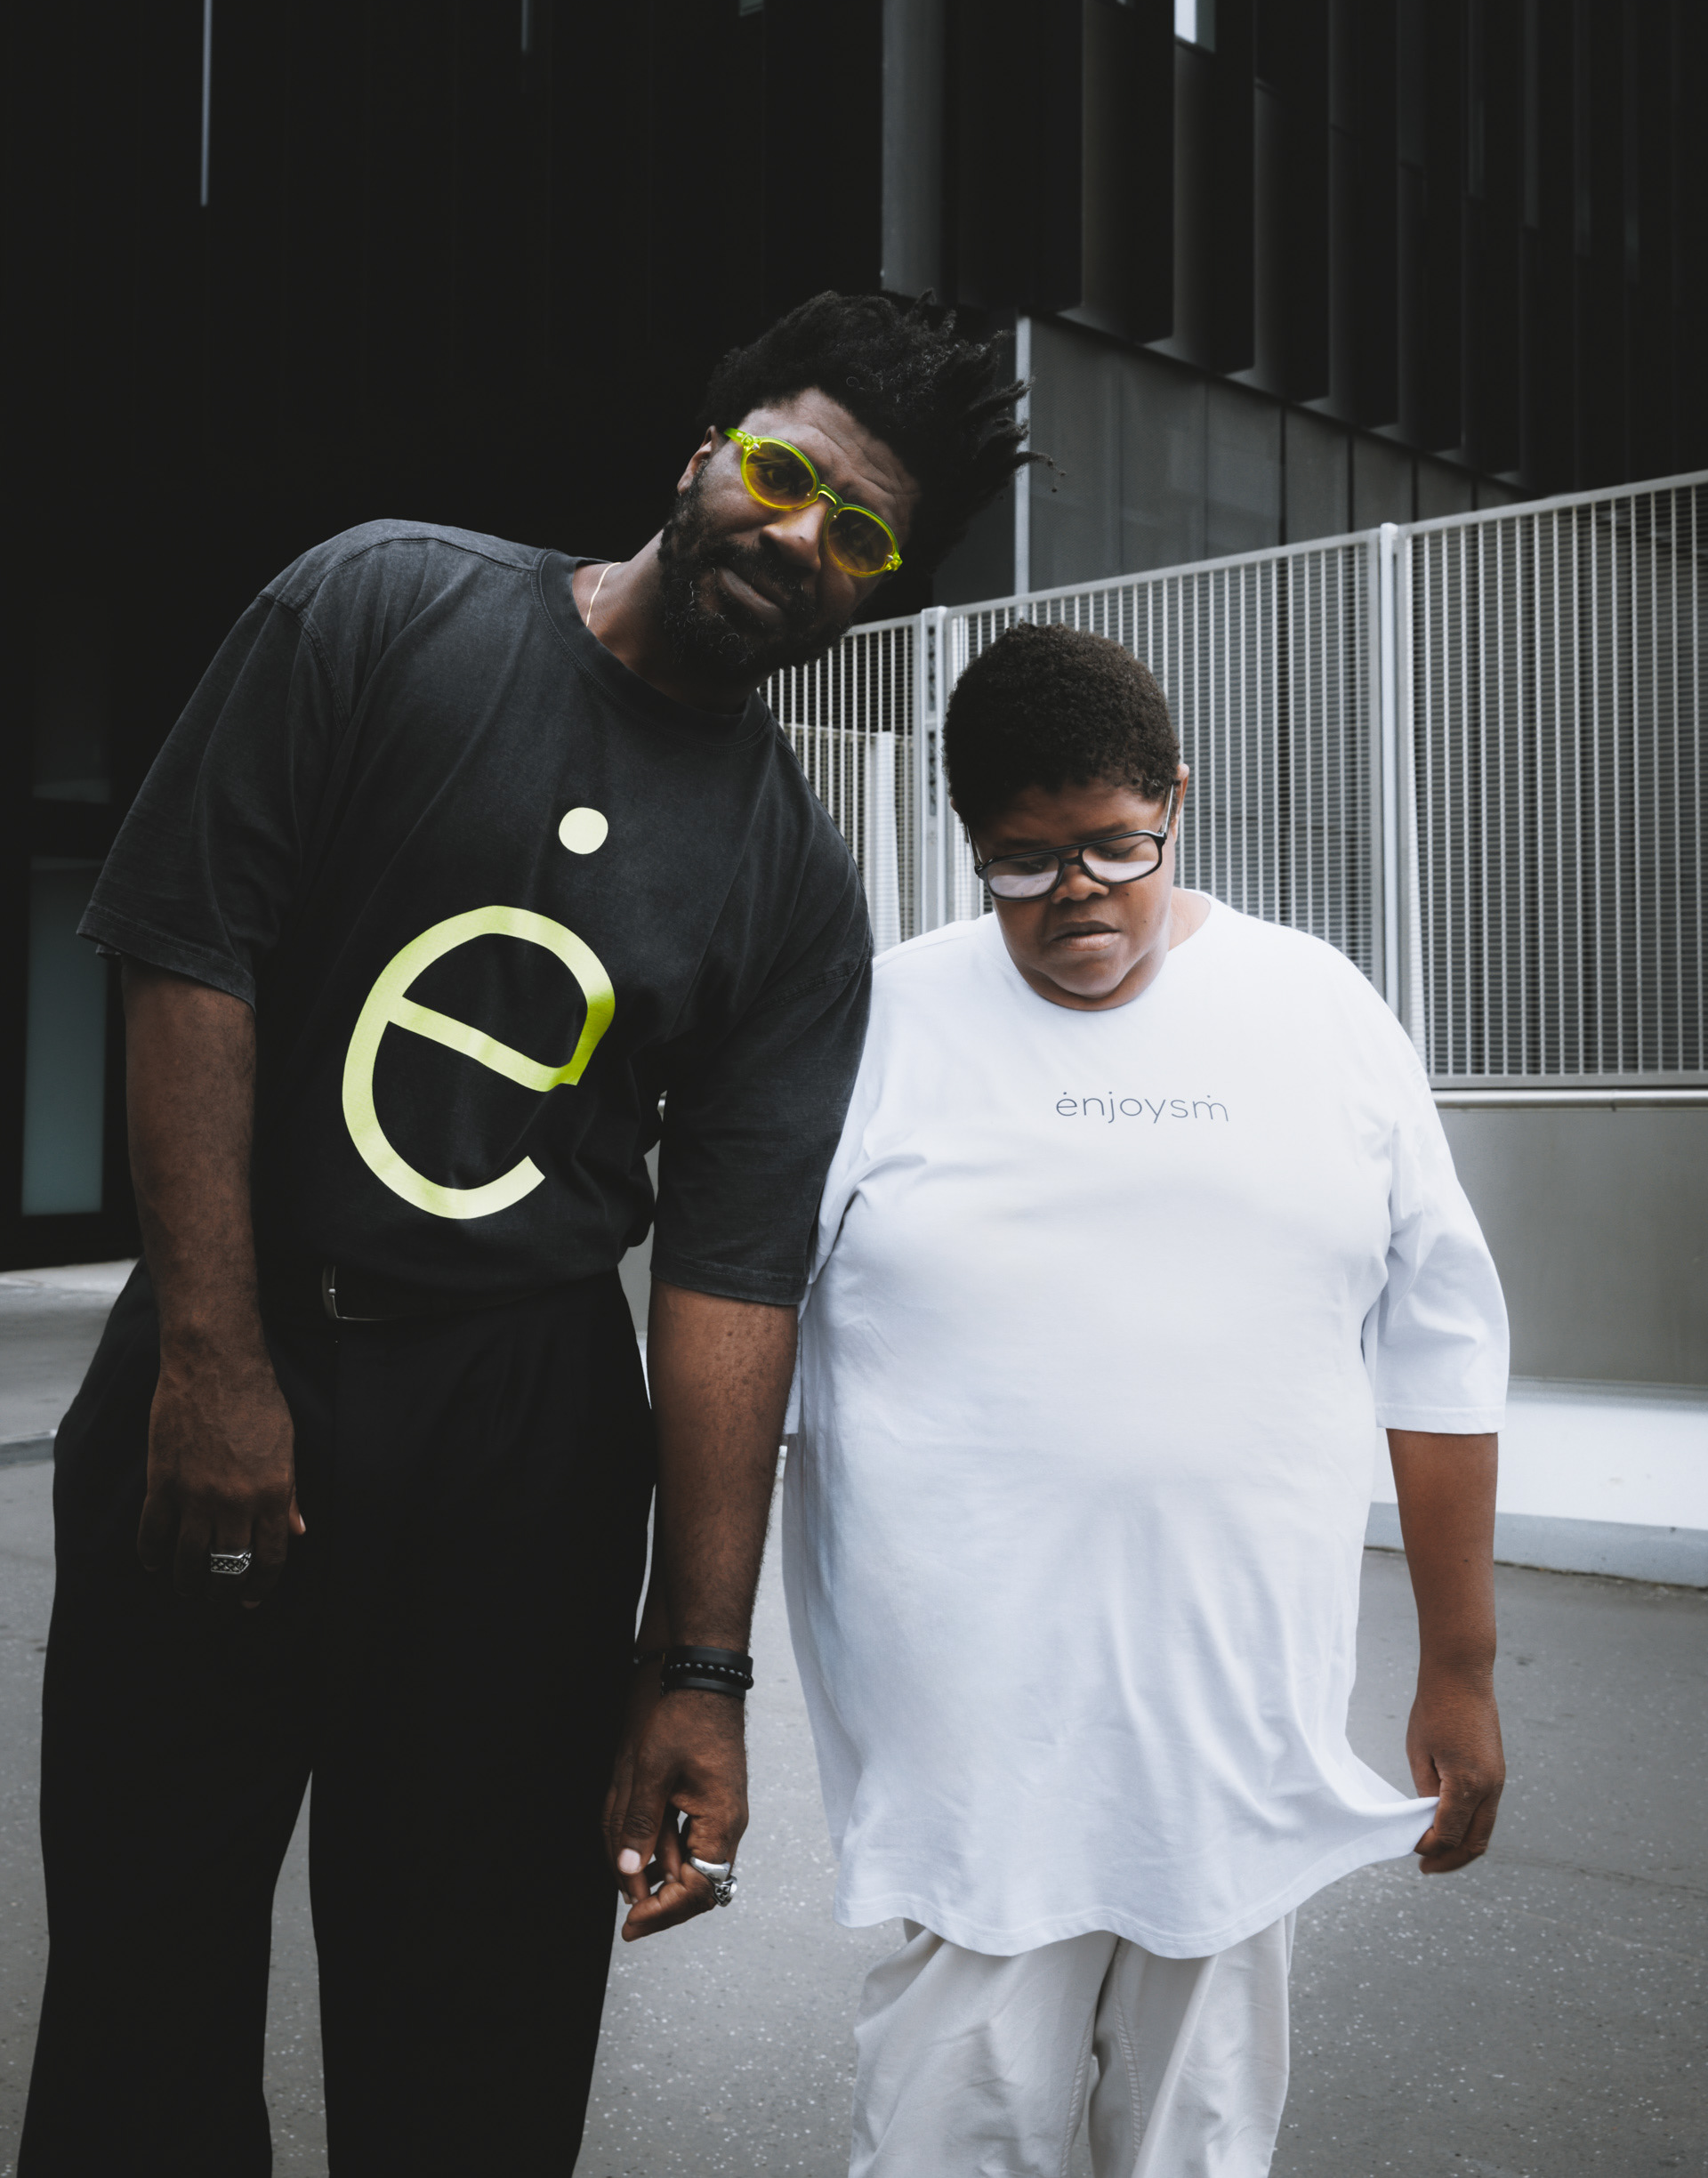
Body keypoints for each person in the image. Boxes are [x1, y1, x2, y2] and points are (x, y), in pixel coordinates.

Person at [20, 292, 1031, 2178]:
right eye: (785, 472)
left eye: (860, 534)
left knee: (473, 2039)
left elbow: (732, 1279)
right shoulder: (381, 607)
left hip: (519, 1448)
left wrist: (698, 1669)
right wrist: (216, 1363)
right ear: (705, 450)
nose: (800, 535)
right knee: (141, 2013)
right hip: (228, 1356)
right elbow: (189, 953)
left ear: (880, 585)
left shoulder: (792, 891)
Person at [783, 620, 1508, 2178]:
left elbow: (1442, 1340)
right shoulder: (882, 1023)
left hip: (1237, 1715)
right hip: (972, 1736)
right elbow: (745, 1340)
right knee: (949, 2126)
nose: (1080, 896)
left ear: (1179, 796)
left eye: (1120, 846)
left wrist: (1460, 1666)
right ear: (968, 839)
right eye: (1024, 862)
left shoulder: (1319, 1010)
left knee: (1202, 2136)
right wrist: (689, 1664)